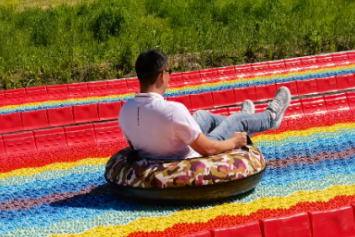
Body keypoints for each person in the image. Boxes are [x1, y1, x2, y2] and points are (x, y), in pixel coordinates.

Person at [118, 49, 291, 161]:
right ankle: (271, 117)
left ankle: (247, 121)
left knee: (202, 116)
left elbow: (136, 146)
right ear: (162, 75)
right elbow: (207, 149)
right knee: (238, 120)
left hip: (168, 144)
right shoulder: (173, 111)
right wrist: (233, 142)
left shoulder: (125, 111)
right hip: (191, 154)